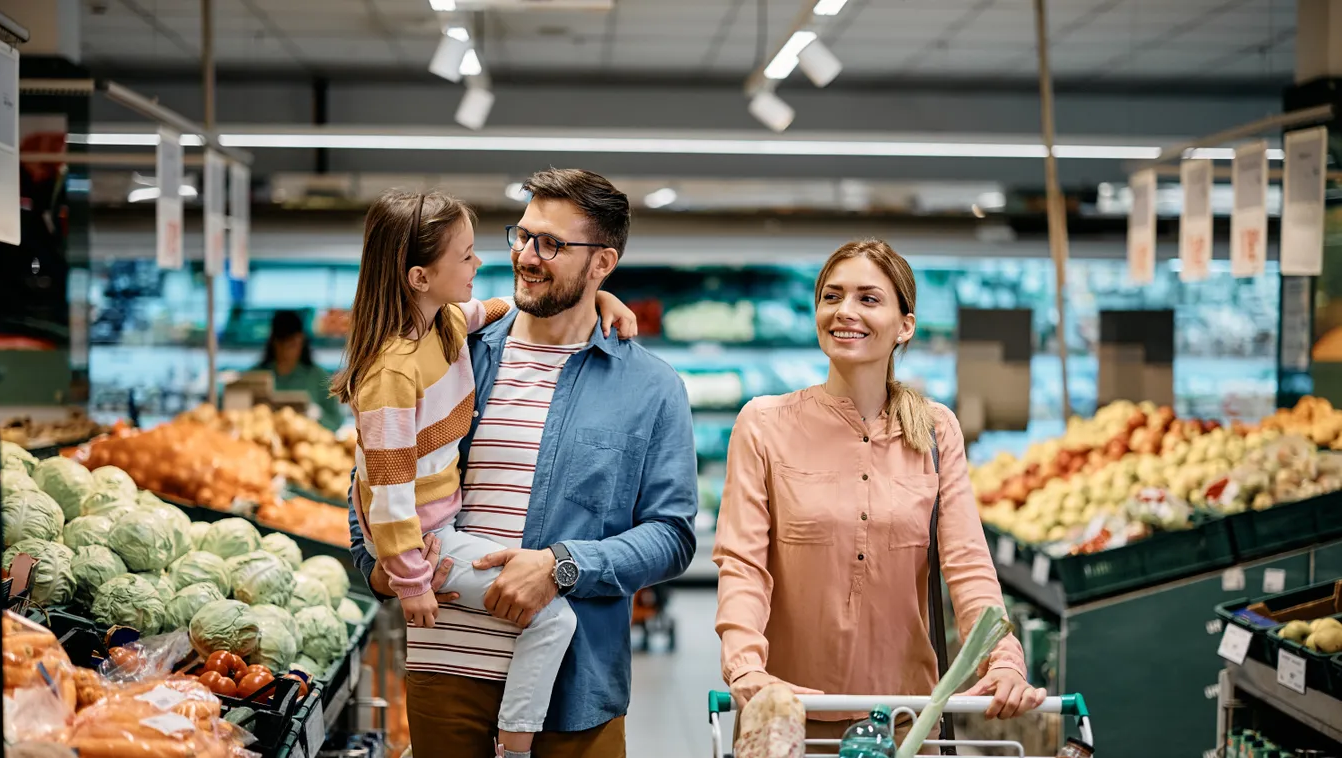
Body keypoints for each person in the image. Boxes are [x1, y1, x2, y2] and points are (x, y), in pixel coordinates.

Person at [347, 169, 699, 758]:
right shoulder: (452, 345)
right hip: (445, 668)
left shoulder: (650, 387)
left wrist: (562, 567)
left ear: (602, 263)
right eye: (522, 235)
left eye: (552, 244)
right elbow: (374, 478)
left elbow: (672, 537)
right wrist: (381, 571)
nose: (525, 256)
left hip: (574, 683)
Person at [713, 239, 1046, 753]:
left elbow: (967, 565)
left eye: (868, 298)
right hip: (787, 719)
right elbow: (742, 564)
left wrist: (1003, 659)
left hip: (906, 723)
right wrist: (745, 668)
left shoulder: (936, 430)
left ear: (904, 325)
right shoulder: (763, 424)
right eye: (831, 296)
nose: (845, 311)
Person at [256, 309, 343, 429]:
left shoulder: (319, 377)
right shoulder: (255, 375)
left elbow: (336, 422)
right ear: (273, 343)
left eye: (292, 344)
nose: (286, 351)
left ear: (301, 341)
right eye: (282, 344)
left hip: (309, 443)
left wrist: (318, 416)